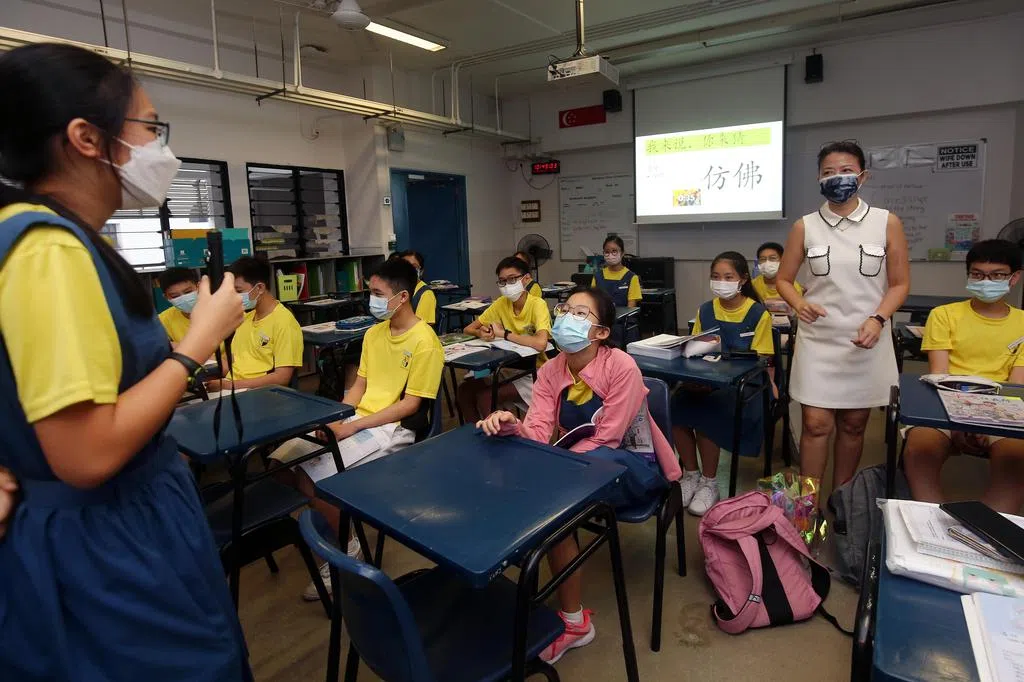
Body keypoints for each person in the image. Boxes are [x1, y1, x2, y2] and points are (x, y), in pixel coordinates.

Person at [0, 43, 249, 679]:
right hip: (105, 540)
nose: (161, 150)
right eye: (149, 128)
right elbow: (87, 453)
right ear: (86, 138)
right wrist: (196, 344)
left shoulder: (34, 237)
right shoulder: (49, 250)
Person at [476, 287, 681, 664]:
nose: (566, 318)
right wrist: (511, 425)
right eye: (565, 309)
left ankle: (575, 624)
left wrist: (555, 466)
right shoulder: (551, 369)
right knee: (524, 478)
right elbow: (539, 431)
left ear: (601, 332)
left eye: (580, 314)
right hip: (576, 465)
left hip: (631, 466)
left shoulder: (621, 366)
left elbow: (609, 438)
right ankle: (507, 579)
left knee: (554, 504)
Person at [270, 258, 444, 599]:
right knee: (280, 464)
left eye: (377, 293)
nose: (371, 300)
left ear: (402, 297)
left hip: (392, 427)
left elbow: (410, 405)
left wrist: (352, 427)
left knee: (314, 481)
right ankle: (326, 525)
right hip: (358, 419)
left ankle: (347, 551)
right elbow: (358, 387)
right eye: (371, 292)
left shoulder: (425, 341)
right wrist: (338, 418)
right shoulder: (375, 333)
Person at [776, 140, 909, 492]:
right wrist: (799, 303)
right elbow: (784, 280)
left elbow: (899, 285)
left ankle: (842, 500)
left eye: (846, 170)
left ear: (862, 176)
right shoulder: (805, 226)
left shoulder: (886, 223)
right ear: (819, 179)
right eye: (829, 172)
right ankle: (807, 507)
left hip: (866, 339)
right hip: (818, 340)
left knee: (853, 425)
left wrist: (878, 319)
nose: (838, 178)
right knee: (815, 424)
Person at [904, 240, 1024, 512]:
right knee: (919, 452)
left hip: (1001, 412)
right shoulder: (943, 315)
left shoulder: (1022, 323)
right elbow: (939, 375)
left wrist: (987, 424)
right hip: (945, 407)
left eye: (997, 275)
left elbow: (1017, 387)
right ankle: (934, 522)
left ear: (1014, 277)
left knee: (1016, 465)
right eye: (978, 274)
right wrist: (960, 423)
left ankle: (985, 528)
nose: (986, 282)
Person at [671, 252, 776, 515]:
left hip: (744, 385)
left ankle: (709, 483)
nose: (721, 282)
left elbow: (763, 360)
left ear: (743, 279)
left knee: (708, 412)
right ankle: (691, 475)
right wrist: (696, 378)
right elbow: (696, 349)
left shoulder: (758, 313)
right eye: (716, 276)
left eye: (728, 277)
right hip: (707, 379)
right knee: (676, 405)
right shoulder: (705, 310)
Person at [459, 256, 552, 422]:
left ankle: (498, 436)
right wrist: (481, 333)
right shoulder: (501, 303)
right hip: (506, 367)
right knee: (464, 391)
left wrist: (505, 334)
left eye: (512, 279)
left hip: (534, 371)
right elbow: (468, 329)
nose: (507, 285)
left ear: (526, 279)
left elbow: (540, 343)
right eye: (502, 281)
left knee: (486, 397)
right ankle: (475, 433)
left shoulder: (537, 304)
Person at [206, 256, 303, 391]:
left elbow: (282, 378)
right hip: (234, 386)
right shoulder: (245, 318)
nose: (233, 296)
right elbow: (234, 364)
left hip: (259, 393)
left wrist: (229, 385)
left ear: (260, 288)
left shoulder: (284, 322)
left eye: (238, 291)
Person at [752, 241, 803, 314]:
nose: (767, 263)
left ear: (782, 260)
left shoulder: (792, 286)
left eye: (772, 258)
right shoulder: (752, 286)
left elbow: (797, 313)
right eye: (762, 259)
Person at [591, 235, 642, 308]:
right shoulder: (597, 277)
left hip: (623, 315)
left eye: (614, 251)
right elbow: (593, 302)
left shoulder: (631, 277)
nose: (610, 255)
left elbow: (631, 308)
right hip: (602, 315)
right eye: (607, 252)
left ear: (622, 253)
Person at [157, 266, 199, 344]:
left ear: (198, 287)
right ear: (166, 297)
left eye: (188, 292)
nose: (184, 298)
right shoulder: (163, 320)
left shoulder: (220, 311)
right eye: (175, 296)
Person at [396, 249, 437, 326]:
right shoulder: (396, 289)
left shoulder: (425, 293)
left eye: (413, 266)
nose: (408, 270)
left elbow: (422, 327)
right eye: (404, 266)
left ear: (421, 271)